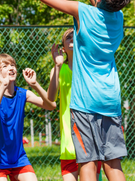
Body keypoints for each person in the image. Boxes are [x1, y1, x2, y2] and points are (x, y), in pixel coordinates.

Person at [35, 0, 132, 181]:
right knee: (113, 162)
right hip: (110, 99)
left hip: (85, 102)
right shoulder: (117, 18)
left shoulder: (83, 13)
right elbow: (98, 0)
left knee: (87, 162)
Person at [0, 53, 56, 181]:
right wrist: (3, 86)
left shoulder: (22, 93)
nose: (11, 68)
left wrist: (34, 85)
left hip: (18, 158)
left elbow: (51, 105)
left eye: (13, 65)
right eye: (5, 66)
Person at [48, 29, 101, 181]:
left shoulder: (89, 68)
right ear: (63, 48)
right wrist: (57, 66)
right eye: (68, 37)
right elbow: (50, 98)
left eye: (75, 36)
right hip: (69, 142)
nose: (72, 38)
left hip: (90, 137)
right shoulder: (58, 70)